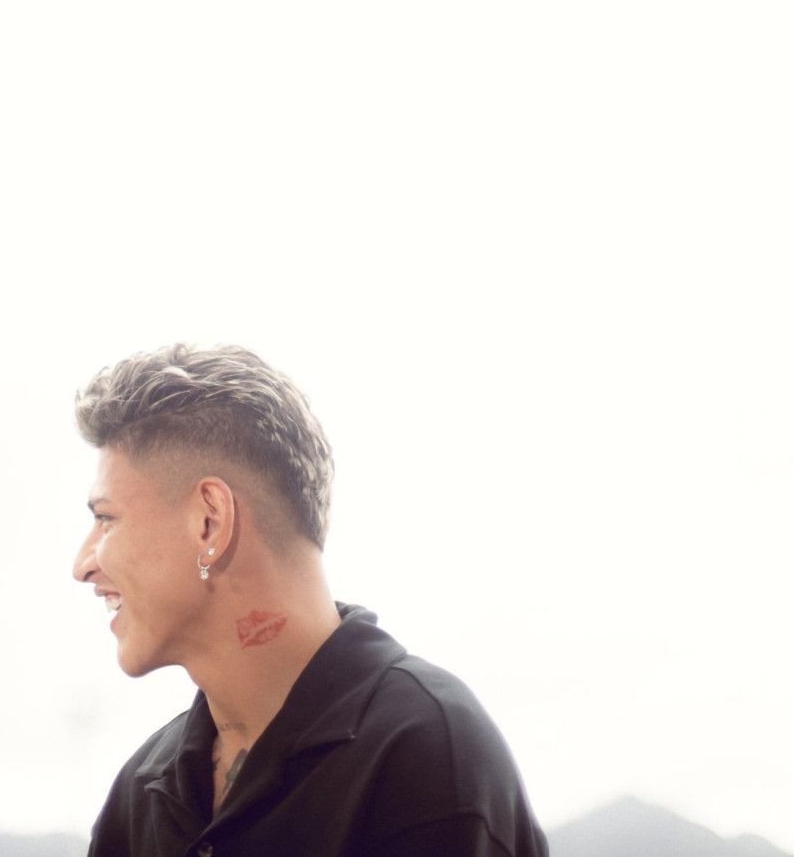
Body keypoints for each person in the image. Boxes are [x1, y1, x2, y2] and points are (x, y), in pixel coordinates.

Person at [71, 344, 549, 857]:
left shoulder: (425, 757)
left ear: (209, 521)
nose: (82, 565)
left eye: (106, 519)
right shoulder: (137, 798)